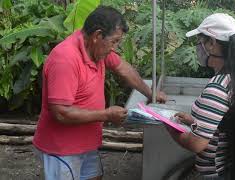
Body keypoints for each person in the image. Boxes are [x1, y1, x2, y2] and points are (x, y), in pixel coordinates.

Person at [33, 5, 166, 180]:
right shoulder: (65, 59)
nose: (115, 48)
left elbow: (123, 69)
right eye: (114, 41)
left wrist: (150, 93)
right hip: (63, 149)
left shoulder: (97, 49)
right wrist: (106, 115)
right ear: (97, 36)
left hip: (85, 143)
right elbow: (61, 112)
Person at [166, 13, 235, 180]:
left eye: (201, 41)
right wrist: (193, 121)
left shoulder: (218, 87)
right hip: (234, 167)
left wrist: (169, 127)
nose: (199, 47)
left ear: (212, 43)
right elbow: (226, 123)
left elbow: (197, 144)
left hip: (218, 173)